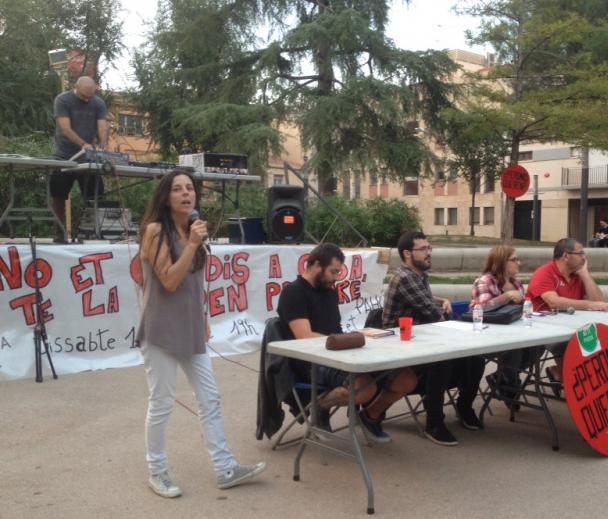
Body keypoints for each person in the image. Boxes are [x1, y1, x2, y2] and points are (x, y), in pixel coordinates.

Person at [137, 169, 265, 498]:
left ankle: (225, 468)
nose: (186, 194)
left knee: (210, 398)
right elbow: (168, 280)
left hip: (191, 328)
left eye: (190, 188)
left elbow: (194, 283)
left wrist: (202, 315)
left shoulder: (192, 231)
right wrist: (193, 243)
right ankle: (158, 471)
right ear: (166, 197)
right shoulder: (155, 231)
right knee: (163, 402)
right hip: (161, 330)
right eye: (178, 189)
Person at [276, 242, 417, 443]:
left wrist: (354, 339)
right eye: (333, 271)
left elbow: (334, 329)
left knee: (406, 379)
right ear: (316, 265)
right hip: (311, 360)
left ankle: (370, 416)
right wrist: (343, 341)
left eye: (338, 272)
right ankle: (319, 407)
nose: (336, 277)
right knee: (365, 387)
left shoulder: (329, 292)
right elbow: (304, 338)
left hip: (338, 352)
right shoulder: (293, 293)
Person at [383, 231, 485, 445]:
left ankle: (464, 408)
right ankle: (434, 422)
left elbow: (428, 303)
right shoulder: (405, 278)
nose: (429, 253)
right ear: (407, 253)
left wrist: (441, 300)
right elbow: (433, 315)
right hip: (399, 345)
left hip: (421, 338)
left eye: (430, 248)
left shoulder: (418, 276)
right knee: (443, 360)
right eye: (424, 249)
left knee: (475, 358)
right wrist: (444, 312)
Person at [525, 237, 608, 385]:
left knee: (600, 340)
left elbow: (599, 301)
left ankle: (565, 376)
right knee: (570, 345)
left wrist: (585, 275)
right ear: (566, 256)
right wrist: (590, 305)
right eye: (580, 253)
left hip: (571, 326)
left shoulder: (577, 276)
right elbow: (554, 302)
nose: (584, 257)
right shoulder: (545, 272)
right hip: (544, 329)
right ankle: (571, 380)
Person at [49, 76, 109, 243]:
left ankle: (94, 233)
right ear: (76, 87)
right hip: (64, 155)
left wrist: (103, 146)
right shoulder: (63, 100)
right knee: (58, 196)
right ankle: (59, 234)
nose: (88, 99)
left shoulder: (98, 103)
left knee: (96, 196)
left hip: (88, 159)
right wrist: (84, 144)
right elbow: (66, 129)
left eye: (90, 96)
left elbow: (102, 126)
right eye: (84, 96)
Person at [470, 245, 527, 408]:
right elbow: (480, 309)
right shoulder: (485, 281)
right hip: (486, 336)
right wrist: (506, 296)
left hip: (511, 332)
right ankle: (509, 384)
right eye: (514, 259)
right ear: (501, 262)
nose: (519, 263)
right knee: (516, 347)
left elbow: (524, 308)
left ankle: (503, 378)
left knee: (538, 345)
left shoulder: (516, 282)